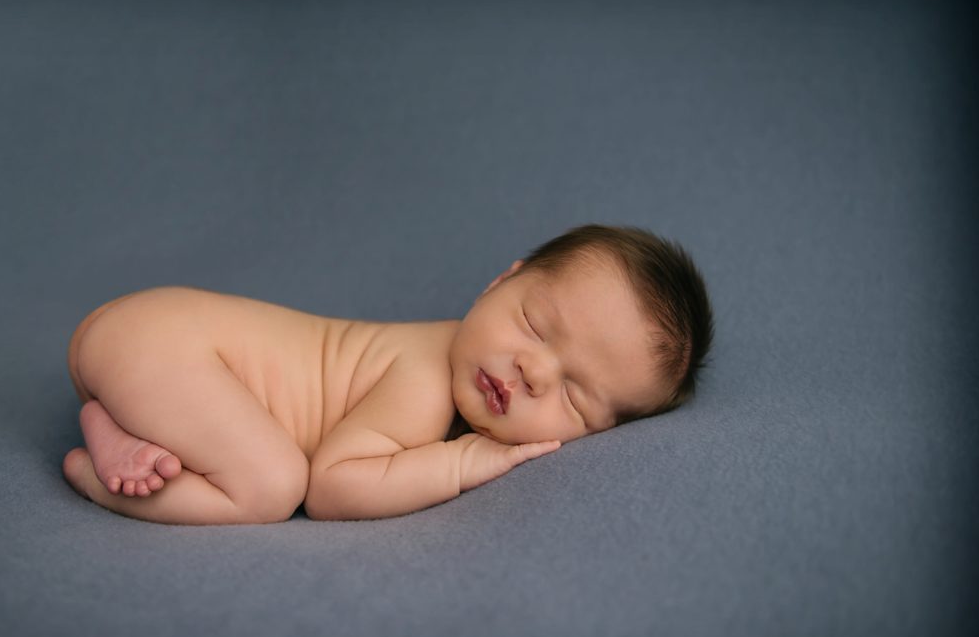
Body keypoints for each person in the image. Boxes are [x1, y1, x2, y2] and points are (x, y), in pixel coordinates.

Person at [61, 224, 713, 523]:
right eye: (536, 325)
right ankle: (97, 475)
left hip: (152, 341)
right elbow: (333, 488)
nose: (534, 371)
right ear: (501, 281)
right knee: (272, 484)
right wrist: (461, 465)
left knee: (248, 452)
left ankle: (118, 420)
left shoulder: (442, 358)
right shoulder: (425, 381)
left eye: (574, 395)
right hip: (160, 343)